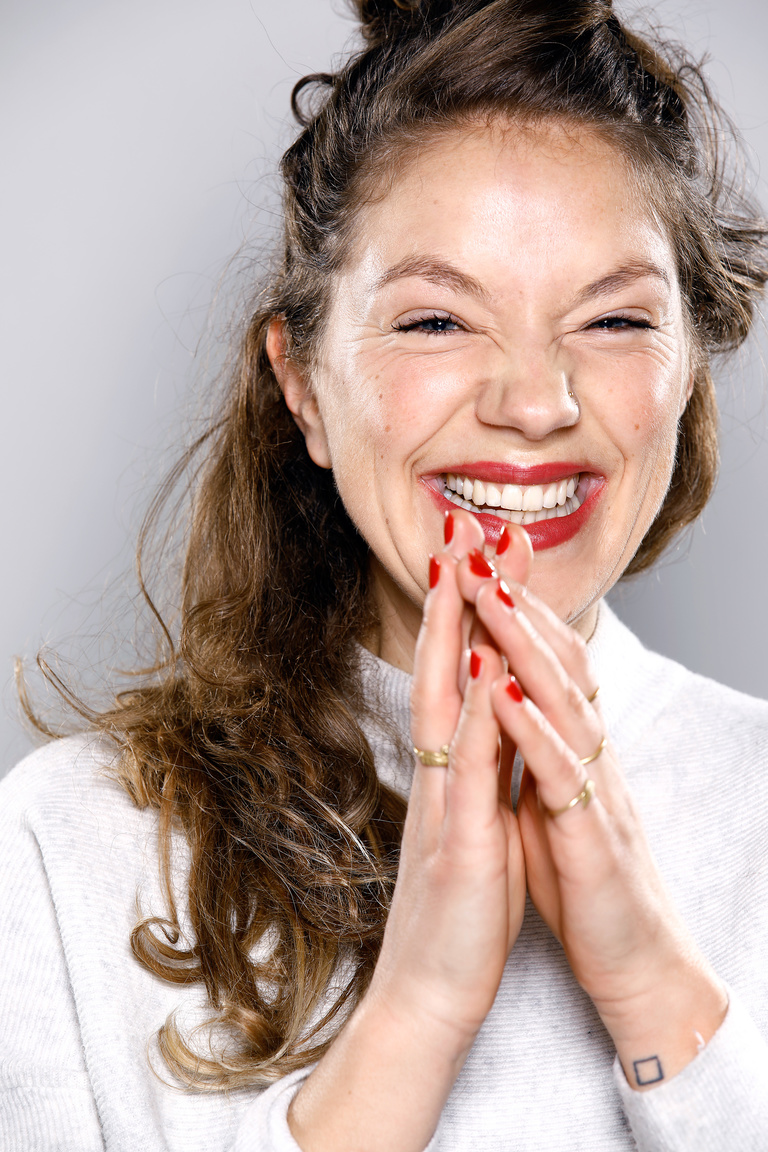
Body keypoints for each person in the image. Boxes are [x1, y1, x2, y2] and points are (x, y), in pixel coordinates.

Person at [2, 1, 768, 1149]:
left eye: (613, 319)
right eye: (435, 321)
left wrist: (657, 994)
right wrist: (415, 1016)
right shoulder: (67, 848)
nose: (535, 404)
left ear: (688, 379)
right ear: (302, 384)